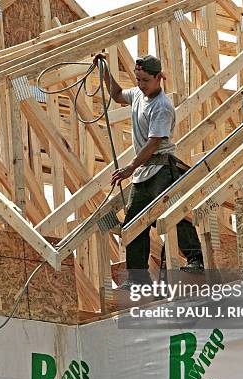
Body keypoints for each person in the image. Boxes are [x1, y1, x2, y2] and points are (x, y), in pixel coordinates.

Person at [93, 53, 204, 290]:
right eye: (138, 79)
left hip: (162, 169)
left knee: (171, 214)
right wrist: (104, 71)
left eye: (145, 80)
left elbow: (153, 143)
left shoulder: (162, 106)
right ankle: (138, 279)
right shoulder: (138, 95)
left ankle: (195, 259)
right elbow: (116, 94)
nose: (141, 85)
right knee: (134, 223)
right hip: (144, 172)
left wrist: (130, 168)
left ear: (159, 78)